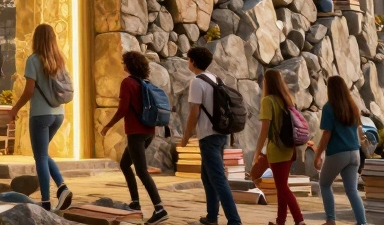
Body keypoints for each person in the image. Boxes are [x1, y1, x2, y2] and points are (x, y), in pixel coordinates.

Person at [8, 24, 73, 212]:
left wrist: (14, 109)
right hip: (58, 114)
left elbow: (29, 91)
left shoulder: (33, 60)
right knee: (43, 154)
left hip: (40, 115)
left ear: (36, 39)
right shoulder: (60, 60)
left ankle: (46, 201)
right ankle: (61, 188)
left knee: (40, 157)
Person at [100, 51, 168, 225]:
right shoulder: (145, 82)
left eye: (124, 63)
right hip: (148, 132)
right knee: (124, 164)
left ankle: (159, 208)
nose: (122, 66)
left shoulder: (128, 82)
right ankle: (135, 202)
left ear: (129, 65)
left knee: (141, 171)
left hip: (136, 133)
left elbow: (123, 109)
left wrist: (107, 125)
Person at [180, 46, 242, 225]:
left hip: (208, 136)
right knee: (207, 177)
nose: (187, 62)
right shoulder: (215, 78)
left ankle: (234, 220)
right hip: (220, 134)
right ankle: (211, 216)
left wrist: (186, 136)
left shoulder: (197, 82)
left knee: (218, 179)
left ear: (193, 61)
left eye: (188, 59)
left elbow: (194, 112)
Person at [313, 76, 367, 225]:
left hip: (338, 152)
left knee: (324, 184)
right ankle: (362, 223)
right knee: (352, 191)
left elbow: (327, 133)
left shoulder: (329, 107)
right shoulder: (353, 106)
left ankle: (330, 220)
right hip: (354, 153)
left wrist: (318, 155)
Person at [255, 69, 305, 225]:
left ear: (267, 83)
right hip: (289, 149)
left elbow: (265, 128)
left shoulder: (267, 101)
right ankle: (280, 221)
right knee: (281, 186)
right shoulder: (287, 99)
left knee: (282, 188)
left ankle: (299, 221)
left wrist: (257, 151)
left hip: (276, 150)